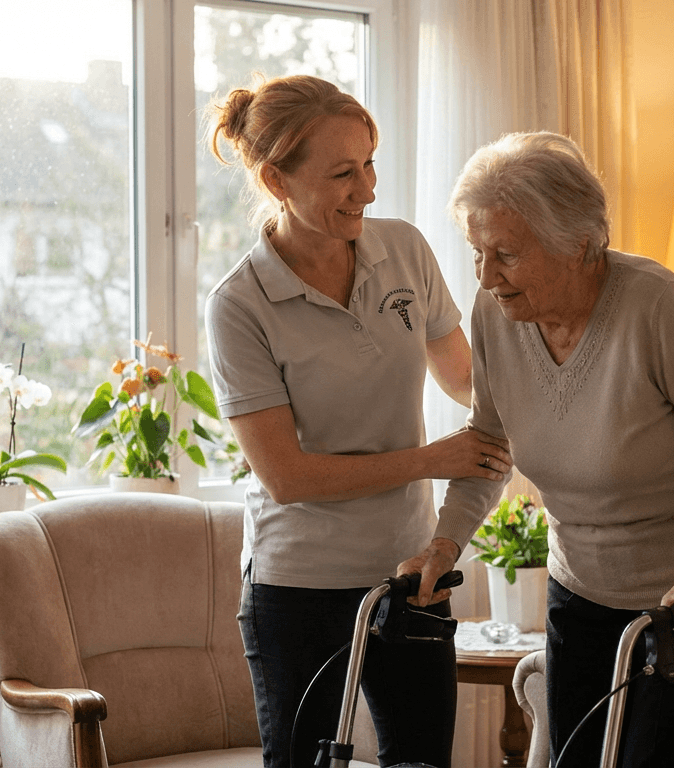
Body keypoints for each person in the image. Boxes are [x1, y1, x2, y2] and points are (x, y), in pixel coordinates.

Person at [399, 132, 674, 768]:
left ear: (577, 243)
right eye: (477, 253)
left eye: (505, 254)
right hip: (579, 587)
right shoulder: (496, 313)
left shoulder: (656, 310)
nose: (486, 275)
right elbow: (490, 443)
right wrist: (444, 545)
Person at [203, 74, 511, 768]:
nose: (367, 189)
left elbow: (465, 379)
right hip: (299, 590)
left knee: (421, 761)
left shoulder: (403, 249)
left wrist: (553, 386)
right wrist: (432, 460)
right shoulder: (240, 306)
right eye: (343, 173)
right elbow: (287, 476)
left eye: (370, 163)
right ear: (275, 177)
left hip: (413, 573)